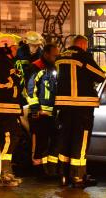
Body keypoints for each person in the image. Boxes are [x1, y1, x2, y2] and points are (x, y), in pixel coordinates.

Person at [53, 35, 105, 188]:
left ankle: (64, 175)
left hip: (63, 106)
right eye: (87, 46)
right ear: (82, 44)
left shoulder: (60, 58)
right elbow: (100, 76)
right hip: (82, 106)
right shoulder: (83, 57)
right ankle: (78, 176)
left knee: (65, 139)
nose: (87, 48)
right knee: (80, 141)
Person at [0, 33, 24, 187]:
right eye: (14, 47)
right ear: (6, 48)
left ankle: (6, 173)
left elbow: (17, 80)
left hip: (9, 108)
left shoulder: (7, 62)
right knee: (10, 139)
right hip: (4, 108)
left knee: (10, 139)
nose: (16, 50)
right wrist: (15, 77)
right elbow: (4, 82)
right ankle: (4, 174)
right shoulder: (1, 63)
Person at [26, 43, 59, 176]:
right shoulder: (36, 67)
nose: (56, 57)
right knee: (40, 142)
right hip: (40, 113)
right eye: (54, 55)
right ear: (46, 54)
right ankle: (37, 169)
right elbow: (30, 90)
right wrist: (36, 109)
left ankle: (49, 169)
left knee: (52, 140)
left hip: (52, 113)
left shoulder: (53, 68)